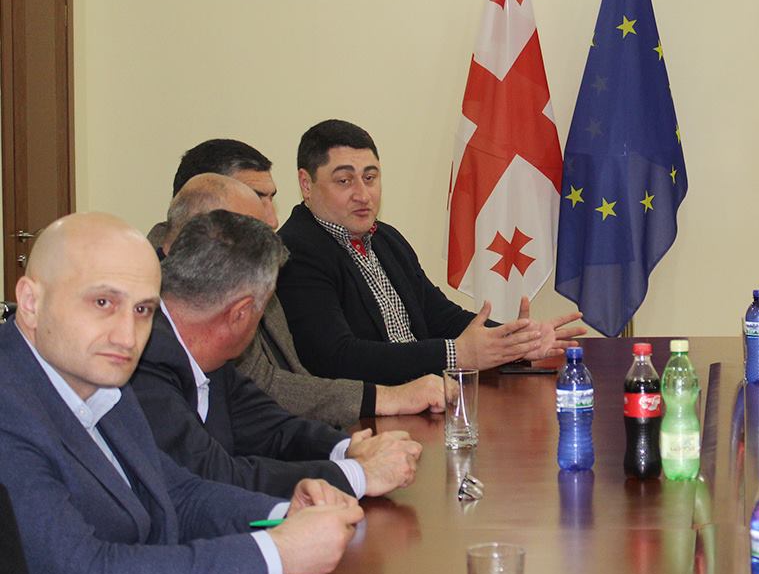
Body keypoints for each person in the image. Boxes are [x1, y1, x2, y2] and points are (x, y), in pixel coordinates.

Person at [0, 213, 362, 574]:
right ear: (30, 301)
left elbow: (176, 494)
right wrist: (275, 553)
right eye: (103, 303)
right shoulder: (9, 407)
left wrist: (283, 515)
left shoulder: (97, 375)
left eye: (142, 310)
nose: (127, 337)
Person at [133, 207, 424, 499]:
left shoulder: (205, 352)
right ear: (240, 314)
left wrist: (348, 448)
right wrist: (357, 474)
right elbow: (213, 477)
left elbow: (269, 426)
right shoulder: (142, 363)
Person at [276, 119, 586, 384]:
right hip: (365, 418)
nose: (363, 194)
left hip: (428, 398)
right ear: (306, 184)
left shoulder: (386, 239)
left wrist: (514, 341)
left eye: (370, 178)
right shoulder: (295, 250)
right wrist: (455, 354)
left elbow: (440, 316)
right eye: (344, 180)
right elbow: (335, 358)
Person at [160, 169, 449, 425]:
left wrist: (342, 451)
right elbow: (266, 390)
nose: (273, 220)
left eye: (370, 177)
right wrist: (386, 399)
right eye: (258, 199)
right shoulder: (157, 320)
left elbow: (278, 397)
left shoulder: (387, 240)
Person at [146, 138, 279, 246]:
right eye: (254, 199)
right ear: (197, 205)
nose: (273, 222)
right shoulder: (141, 270)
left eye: (270, 199)